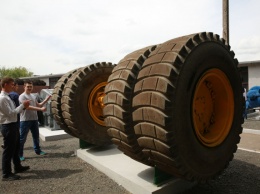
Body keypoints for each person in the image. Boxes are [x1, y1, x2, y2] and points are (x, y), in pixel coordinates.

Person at [0, 77, 30, 181]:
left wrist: (23, 107)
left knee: (16, 147)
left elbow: (13, 112)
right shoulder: (3, 98)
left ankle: (18, 166)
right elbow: (10, 113)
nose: (13, 86)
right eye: (12, 84)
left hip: (12, 125)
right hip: (8, 126)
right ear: (5, 85)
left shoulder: (7, 97)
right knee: (8, 150)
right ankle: (6, 174)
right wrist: (23, 106)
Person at [19, 80, 51, 161]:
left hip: (34, 120)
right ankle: (19, 154)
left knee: (36, 137)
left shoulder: (32, 96)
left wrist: (46, 100)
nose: (29, 88)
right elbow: (27, 107)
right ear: (24, 87)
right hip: (25, 120)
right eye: (28, 86)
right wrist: (40, 109)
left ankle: (38, 151)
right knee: (22, 139)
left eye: (31, 86)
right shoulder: (22, 96)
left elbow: (39, 105)